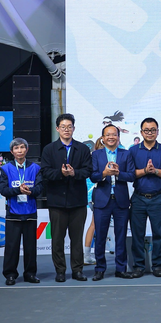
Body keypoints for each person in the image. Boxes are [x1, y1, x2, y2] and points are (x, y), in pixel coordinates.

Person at [40, 113, 92, 282]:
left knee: (76, 239)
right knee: (57, 239)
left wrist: (74, 173)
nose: (66, 130)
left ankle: (77, 270)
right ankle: (60, 271)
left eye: (69, 127)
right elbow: (45, 172)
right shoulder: (49, 149)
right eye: (63, 127)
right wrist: (61, 173)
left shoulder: (83, 149)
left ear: (74, 128)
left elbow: (88, 171)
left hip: (78, 202)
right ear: (57, 129)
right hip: (57, 202)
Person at [89, 124, 135, 280]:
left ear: (118, 137)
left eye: (114, 134)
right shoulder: (96, 155)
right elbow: (93, 176)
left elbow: (131, 176)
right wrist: (104, 173)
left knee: (121, 236)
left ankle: (121, 269)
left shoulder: (126, 154)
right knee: (100, 236)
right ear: (103, 138)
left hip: (121, 201)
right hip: (102, 200)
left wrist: (118, 173)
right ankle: (100, 269)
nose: (111, 137)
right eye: (108, 135)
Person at [128, 117, 161, 278]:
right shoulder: (133, 150)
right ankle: (138, 266)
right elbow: (130, 174)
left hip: (157, 197)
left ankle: (158, 266)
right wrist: (145, 171)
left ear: (157, 132)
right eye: (146, 130)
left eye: (153, 130)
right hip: (138, 198)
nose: (150, 133)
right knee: (137, 234)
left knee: (159, 233)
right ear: (141, 132)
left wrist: (155, 171)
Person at [0, 138, 43, 285]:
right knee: (12, 247)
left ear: (27, 149)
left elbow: (40, 188)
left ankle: (30, 274)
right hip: (13, 213)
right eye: (16, 148)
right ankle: (10, 275)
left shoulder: (35, 168)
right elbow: (3, 190)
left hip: (30, 212)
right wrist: (18, 190)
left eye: (22, 147)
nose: (20, 151)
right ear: (12, 152)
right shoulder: (6, 169)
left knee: (30, 247)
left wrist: (31, 191)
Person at [84, 137, 104, 266]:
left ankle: (87, 255)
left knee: (94, 225)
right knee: (94, 225)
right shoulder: (96, 159)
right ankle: (87, 255)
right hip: (98, 196)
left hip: (97, 196)